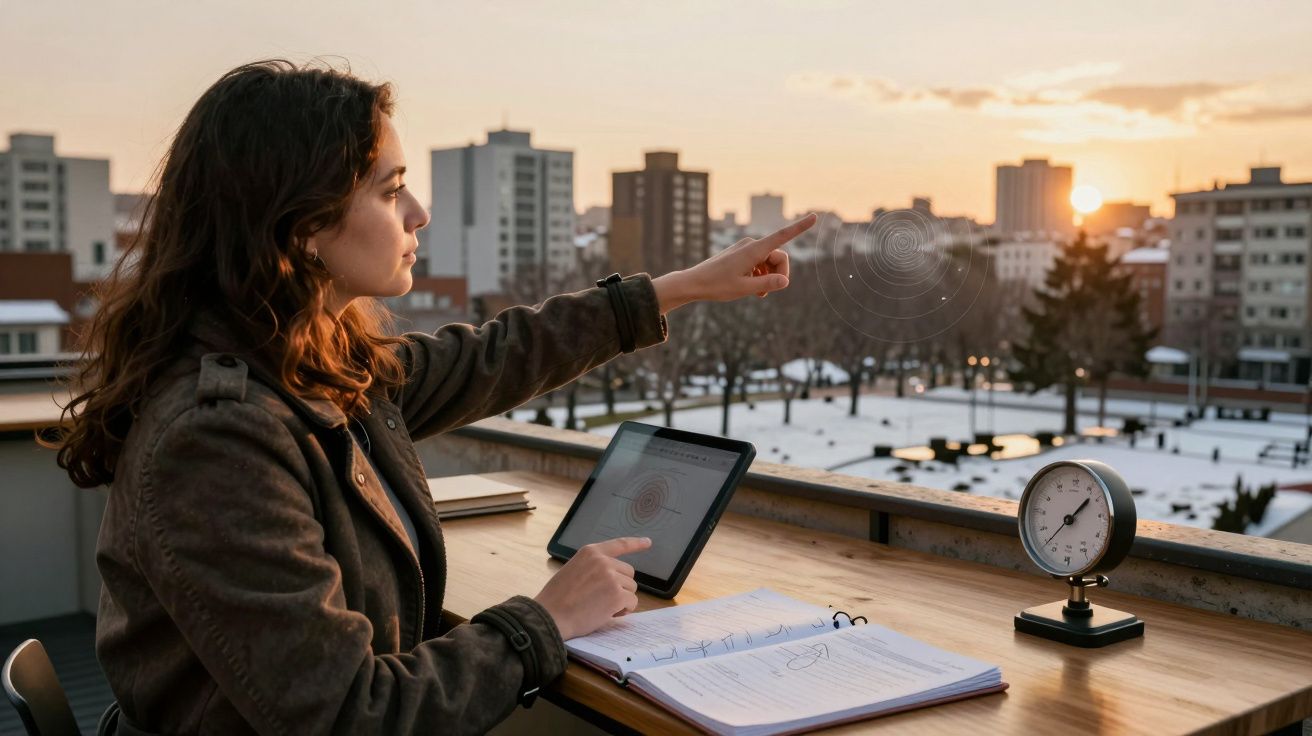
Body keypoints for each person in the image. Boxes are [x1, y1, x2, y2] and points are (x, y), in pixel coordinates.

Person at [52, 59, 815, 735]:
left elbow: (489, 357)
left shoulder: (310, 371)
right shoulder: (218, 441)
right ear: (303, 226)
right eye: (391, 191)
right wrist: (543, 621)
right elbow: (347, 715)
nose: (419, 213)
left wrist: (682, 288)